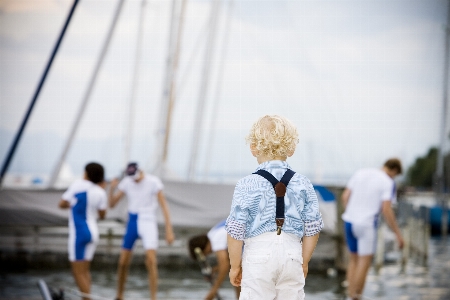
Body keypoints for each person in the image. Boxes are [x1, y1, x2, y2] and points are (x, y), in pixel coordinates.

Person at [225, 115, 324, 300]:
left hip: (258, 255)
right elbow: (312, 227)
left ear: (253, 148)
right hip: (292, 254)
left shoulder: (247, 184)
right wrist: (304, 261)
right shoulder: (303, 183)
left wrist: (235, 266)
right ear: (292, 149)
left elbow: (236, 230)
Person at [109, 162, 175, 300]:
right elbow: (112, 204)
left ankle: (153, 297)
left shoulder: (153, 181)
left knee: (151, 260)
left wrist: (169, 230)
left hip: (148, 220)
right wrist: (111, 189)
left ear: (140, 171)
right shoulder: (127, 181)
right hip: (132, 220)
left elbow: (164, 206)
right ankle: (119, 295)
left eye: (135, 175)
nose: (134, 179)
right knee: (123, 262)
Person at [341, 158, 405, 300]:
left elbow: (345, 197)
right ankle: (356, 297)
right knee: (364, 262)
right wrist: (398, 234)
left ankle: (350, 295)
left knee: (353, 260)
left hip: (349, 221)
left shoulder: (360, 173)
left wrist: (352, 213)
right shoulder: (388, 182)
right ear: (394, 170)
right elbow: (386, 210)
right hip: (367, 225)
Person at [58, 162, 107, 300]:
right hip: (93, 233)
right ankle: (87, 297)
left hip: (79, 233)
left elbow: (61, 204)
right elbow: (103, 215)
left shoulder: (78, 185)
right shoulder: (101, 192)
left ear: (86, 173)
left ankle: (87, 299)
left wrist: (73, 203)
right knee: (85, 272)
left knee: (77, 273)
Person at [188, 220, 241, 300]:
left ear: (203, 250)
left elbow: (224, 266)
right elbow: (230, 263)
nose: (208, 254)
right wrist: (215, 270)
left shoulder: (216, 239)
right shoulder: (213, 233)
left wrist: (213, 292)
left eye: (205, 254)